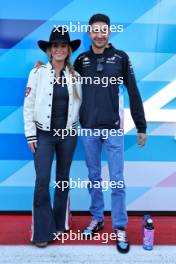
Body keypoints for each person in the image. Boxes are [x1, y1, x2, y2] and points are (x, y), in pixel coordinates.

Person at [74, 14, 147, 253]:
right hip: (88, 128)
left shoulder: (121, 58)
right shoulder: (81, 60)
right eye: (95, 30)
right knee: (93, 176)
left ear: (109, 32)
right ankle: (97, 217)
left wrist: (141, 125)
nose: (99, 34)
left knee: (117, 180)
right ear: (88, 33)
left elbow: (133, 91)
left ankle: (120, 226)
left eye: (103, 30)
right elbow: (69, 90)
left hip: (114, 128)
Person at [23, 27, 82, 247]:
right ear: (49, 50)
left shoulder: (76, 76)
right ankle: (41, 232)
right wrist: (31, 135)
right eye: (55, 46)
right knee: (41, 181)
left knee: (63, 180)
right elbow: (28, 105)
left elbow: (82, 105)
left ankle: (59, 225)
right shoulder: (37, 73)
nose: (59, 49)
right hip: (43, 135)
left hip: (67, 135)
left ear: (68, 50)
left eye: (63, 46)